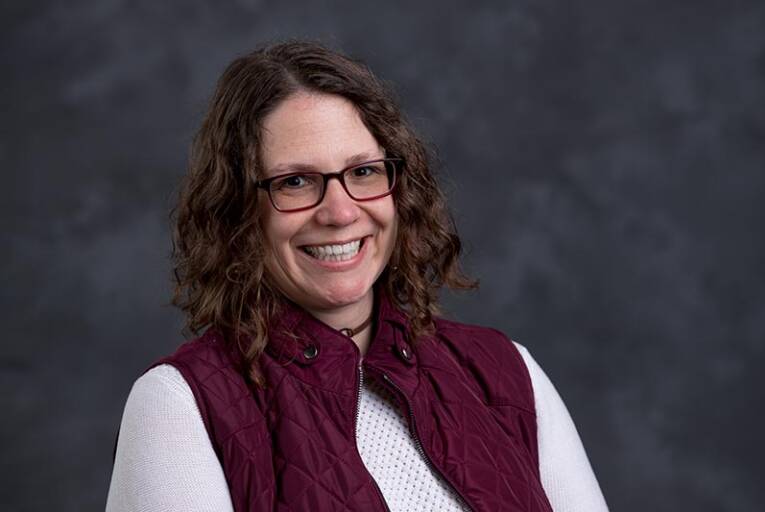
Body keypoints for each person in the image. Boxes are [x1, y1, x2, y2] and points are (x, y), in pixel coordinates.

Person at [105, 41, 609, 512]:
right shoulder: (179, 404)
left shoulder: (506, 372)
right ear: (237, 210)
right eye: (295, 182)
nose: (341, 212)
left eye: (363, 172)